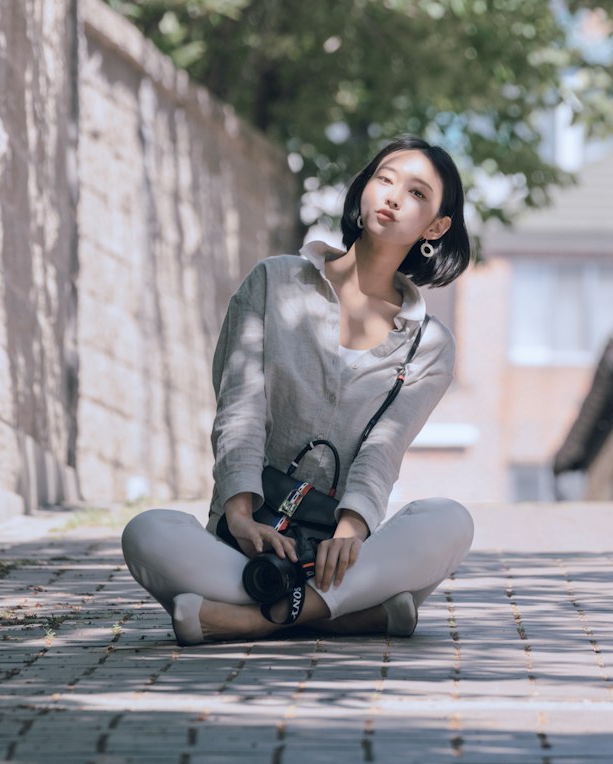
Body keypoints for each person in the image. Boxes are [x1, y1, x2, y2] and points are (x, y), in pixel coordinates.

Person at [121, 135, 475, 645]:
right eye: (386, 179)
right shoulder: (274, 281)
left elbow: (384, 449)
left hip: (341, 556)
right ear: (364, 190)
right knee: (147, 533)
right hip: (250, 548)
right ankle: (349, 615)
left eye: (418, 194)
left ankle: (248, 618)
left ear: (436, 227)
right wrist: (240, 516)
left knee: (449, 521)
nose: (395, 198)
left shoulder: (429, 343)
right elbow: (239, 408)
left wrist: (350, 533)